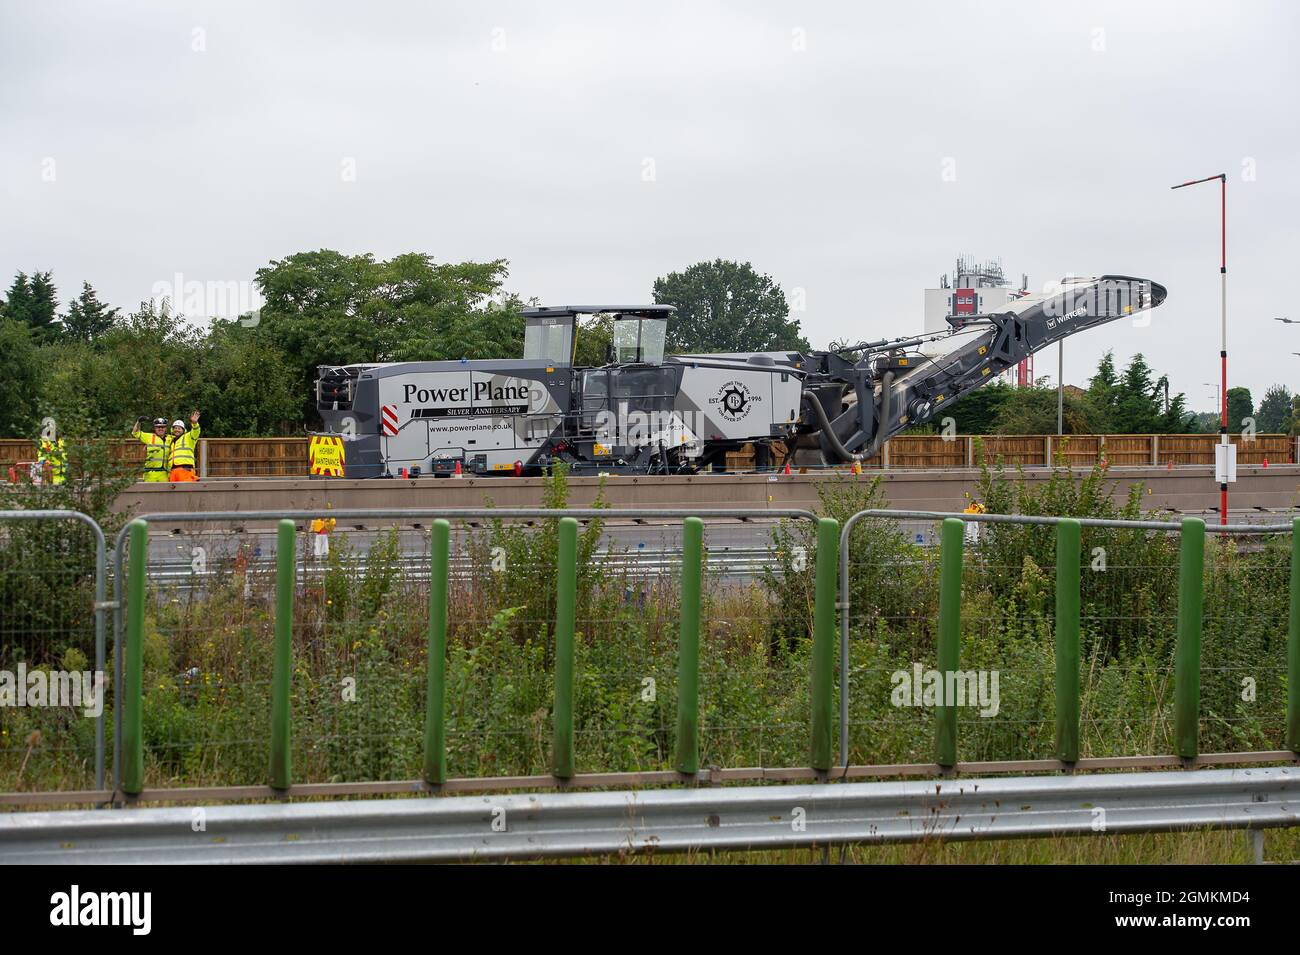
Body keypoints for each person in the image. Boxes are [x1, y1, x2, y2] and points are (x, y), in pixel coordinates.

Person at [131, 417, 171, 482]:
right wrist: (138, 422)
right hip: (150, 472)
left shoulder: (170, 438)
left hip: (164, 473)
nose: (160, 429)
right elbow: (135, 433)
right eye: (158, 427)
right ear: (155, 428)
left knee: (164, 492)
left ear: (166, 428)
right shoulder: (149, 437)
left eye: (163, 427)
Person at [168, 410, 202, 482]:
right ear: (172, 430)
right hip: (173, 471)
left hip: (185, 470)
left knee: (186, 491)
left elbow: (196, 431)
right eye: (175, 428)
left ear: (183, 430)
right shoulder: (171, 441)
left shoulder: (188, 437)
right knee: (173, 493)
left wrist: (194, 423)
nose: (177, 430)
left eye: (179, 428)